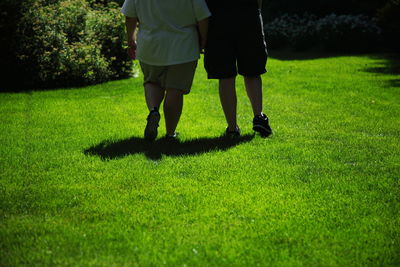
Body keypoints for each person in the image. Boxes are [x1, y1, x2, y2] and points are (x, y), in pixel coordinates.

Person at [121, 0, 210, 141]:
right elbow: (203, 17)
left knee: (152, 82)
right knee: (175, 89)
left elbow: (130, 16)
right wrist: (204, 39)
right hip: (183, 46)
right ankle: (170, 133)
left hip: (150, 45)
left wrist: (131, 40)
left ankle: (153, 111)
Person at [204, 0, 272, 137]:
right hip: (248, 16)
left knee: (226, 76)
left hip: (218, 19)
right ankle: (259, 116)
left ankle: (232, 128)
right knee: (252, 72)